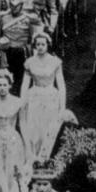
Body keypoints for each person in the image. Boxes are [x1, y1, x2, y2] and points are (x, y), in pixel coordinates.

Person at [18, 31, 68, 163]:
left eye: (43, 44)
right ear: (35, 45)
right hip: (34, 96)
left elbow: (61, 85)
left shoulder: (55, 62)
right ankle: (34, 158)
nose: (40, 47)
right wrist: (22, 101)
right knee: (34, 128)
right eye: (38, 44)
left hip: (51, 96)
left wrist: (62, 106)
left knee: (49, 126)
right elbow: (25, 84)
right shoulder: (30, 62)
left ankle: (47, 158)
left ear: (47, 45)